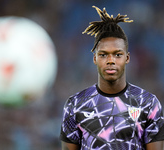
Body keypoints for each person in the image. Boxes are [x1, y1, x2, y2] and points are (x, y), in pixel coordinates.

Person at [60, 6, 164, 150]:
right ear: (95, 58)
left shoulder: (148, 103)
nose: (111, 60)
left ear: (127, 58)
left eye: (117, 54)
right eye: (103, 54)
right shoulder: (75, 105)